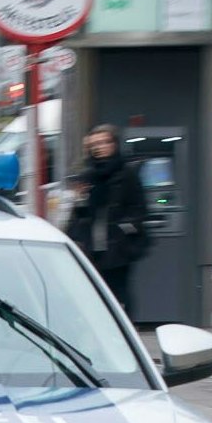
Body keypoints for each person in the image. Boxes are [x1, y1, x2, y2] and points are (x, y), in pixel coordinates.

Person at [67, 124, 148, 314]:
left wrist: (124, 230)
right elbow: (79, 213)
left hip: (118, 249)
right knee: (93, 297)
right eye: (95, 144)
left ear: (114, 144)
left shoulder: (127, 174)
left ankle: (124, 327)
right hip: (91, 248)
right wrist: (80, 199)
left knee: (119, 296)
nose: (99, 147)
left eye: (104, 142)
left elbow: (139, 209)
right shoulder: (87, 176)